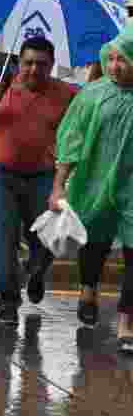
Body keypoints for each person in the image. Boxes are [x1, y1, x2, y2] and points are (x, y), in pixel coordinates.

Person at [0, 37, 75, 325]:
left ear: (52, 66)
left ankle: (37, 271)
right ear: (18, 63)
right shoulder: (0, 85)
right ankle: (8, 299)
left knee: (44, 240)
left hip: (43, 176)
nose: (33, 70)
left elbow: (77, 134)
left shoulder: (66, 94)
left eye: (41, 64)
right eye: (27, 63)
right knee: (2, 240)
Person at [51, 26, 133, 352]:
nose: (115, 66)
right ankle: (88, 288)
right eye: (110, 59)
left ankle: (127, 320)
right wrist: (59, 185)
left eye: (123, 59)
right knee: (94, 242)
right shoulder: (94, 94)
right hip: (93, 182)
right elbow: (71, 138)